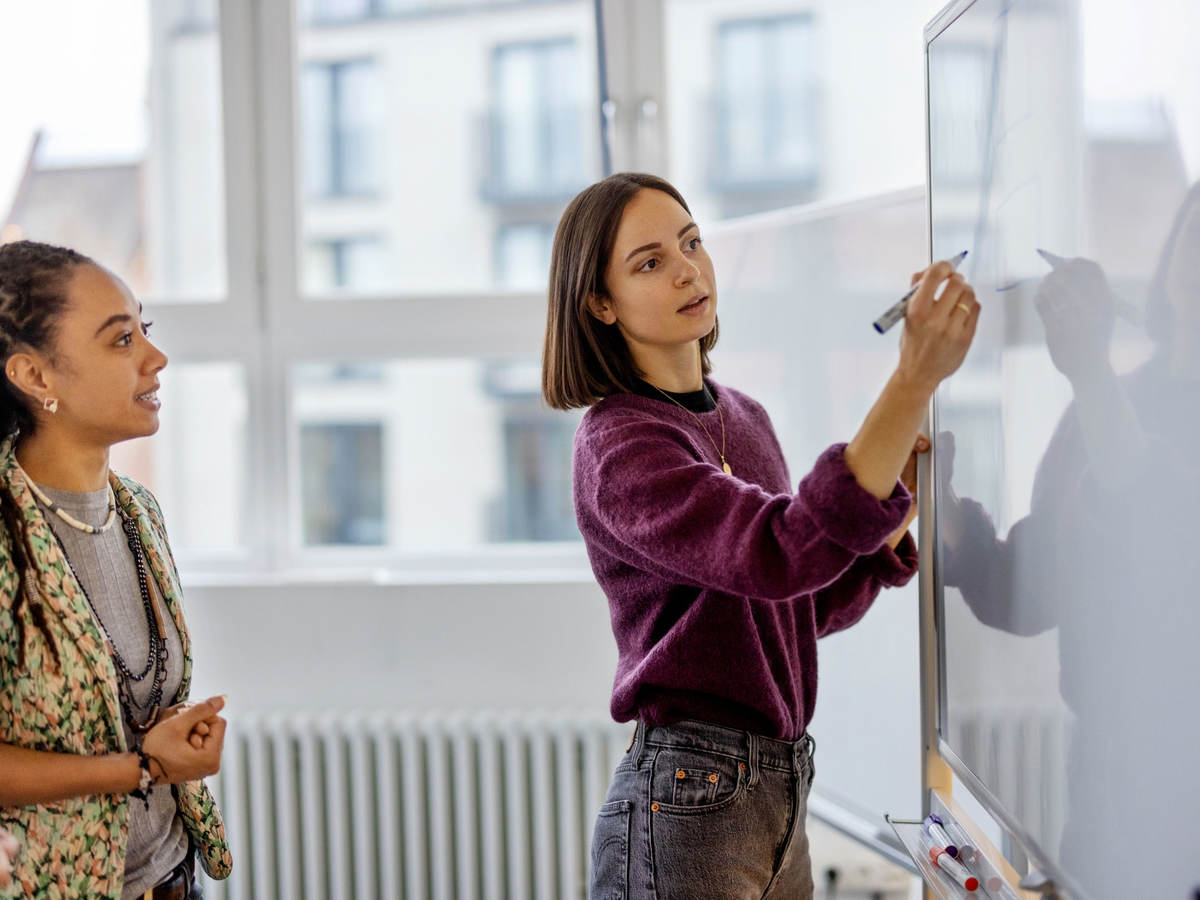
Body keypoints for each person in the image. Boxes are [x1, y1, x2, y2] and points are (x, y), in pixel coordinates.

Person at [542, 173, 978, 899]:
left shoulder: (743, 416)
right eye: (649, 262)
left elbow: (801, 603)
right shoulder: (619, 446)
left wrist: (894, 507)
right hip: (689, 799)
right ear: (600, 303)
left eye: (690, 242)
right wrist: (912, 378)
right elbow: (779, 553)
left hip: (775, 791)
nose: (687, 268)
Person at [938, 183, 1200, 900]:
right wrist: (946, 507)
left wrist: (1090, 374)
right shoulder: (1098, 413)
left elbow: (1155, 523)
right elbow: (1027, 589)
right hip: (1108, 796)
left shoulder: (1105, 404)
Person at [0, 240, 232, 899]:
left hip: (170, 876)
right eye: (121, 339)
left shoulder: (138, 511)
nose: (155, 359)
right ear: (35, 377)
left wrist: (167, 744)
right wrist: (142, 765)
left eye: (145, 330)